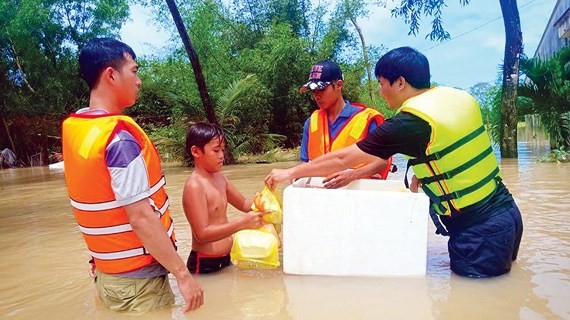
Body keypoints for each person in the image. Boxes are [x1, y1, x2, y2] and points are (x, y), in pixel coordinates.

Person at [265, 47, 523, 278]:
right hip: (507, 213)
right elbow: (455, 148)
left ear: (400, 82)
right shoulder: (459, 98)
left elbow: (344, 158)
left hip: (478, 232)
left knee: (474, 305)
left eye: (381, 83)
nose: (380, 90)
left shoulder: (410, 122)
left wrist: (289, 172)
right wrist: (424, 173)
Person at [61, 38, 203, 313]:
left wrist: (99, 257)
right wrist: (183, 276)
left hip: (106, 277)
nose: (139, 81)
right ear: (111, 75)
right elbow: (140, 217)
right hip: (139, 287)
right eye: (134, 71)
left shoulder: (77, 129)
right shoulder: (119, 139)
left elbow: (96, 201)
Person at [183, 122, 265, 274]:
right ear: (196, 151)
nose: (222, 155)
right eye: (216, 150)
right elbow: (202, 234)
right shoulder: (194, 186)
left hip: (227, 259)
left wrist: (267, 198)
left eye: (222, 149)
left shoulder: (220, 179)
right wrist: (242, 223)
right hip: (204, 263)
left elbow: (244, 204)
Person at [299, 60, 391, 188]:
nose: (316, 96)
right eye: (313, 91)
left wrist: (353, 175)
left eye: (321, 89)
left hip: (358, 193)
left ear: (338, 85)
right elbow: (305, 163)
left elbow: (382, 162)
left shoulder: (367, 119)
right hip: (320, 195)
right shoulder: (311, 123)